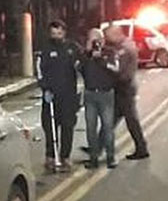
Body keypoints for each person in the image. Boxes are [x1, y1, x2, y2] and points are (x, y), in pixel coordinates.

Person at [36, 20, 81, 172]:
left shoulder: (72, 48)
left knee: (68, 126)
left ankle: (65, 157)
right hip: (51, 96)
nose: (56, 36)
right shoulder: (45, 50)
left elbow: (81, 64)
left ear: (64, 32)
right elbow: (40, 70)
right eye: (54, 33)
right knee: (50, 127)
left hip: (68, 95)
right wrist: (45, 88)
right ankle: (50, 156)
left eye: (59, 33)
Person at [105, 25, 150, 160]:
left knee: (130, 120)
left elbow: (120, 71)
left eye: (109, 36)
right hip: (125, 88)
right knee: (112, 120)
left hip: (124, 88)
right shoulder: (125, 46)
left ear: (116, 34)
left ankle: (141, 148)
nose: (107, 39)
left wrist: (107, 68)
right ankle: (97, 146)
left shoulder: (124, 49)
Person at [80, 29, 120, 169]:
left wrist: (102, 60)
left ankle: (110, 157)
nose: (95, 43)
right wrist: (88, 52)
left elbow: (116, 69)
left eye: (97, 40)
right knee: (90, 128)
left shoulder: (109, 52)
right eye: (92, 40)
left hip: (106, 94)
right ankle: (93, 158)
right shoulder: (86, 55)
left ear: (102, 40)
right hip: (90, 94)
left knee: (108, 127)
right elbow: (79, 68)